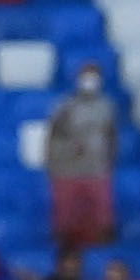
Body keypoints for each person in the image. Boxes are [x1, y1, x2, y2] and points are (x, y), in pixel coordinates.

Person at [46, 62, 117, 252]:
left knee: (102, 221)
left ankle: (102, 255)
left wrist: (109, 160)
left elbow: (111, 136)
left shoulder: (106, 107)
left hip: (97, 170)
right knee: (64, 222)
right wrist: (53, 162)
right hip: (67, 170)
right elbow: (52, 135)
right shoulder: (65, 106)